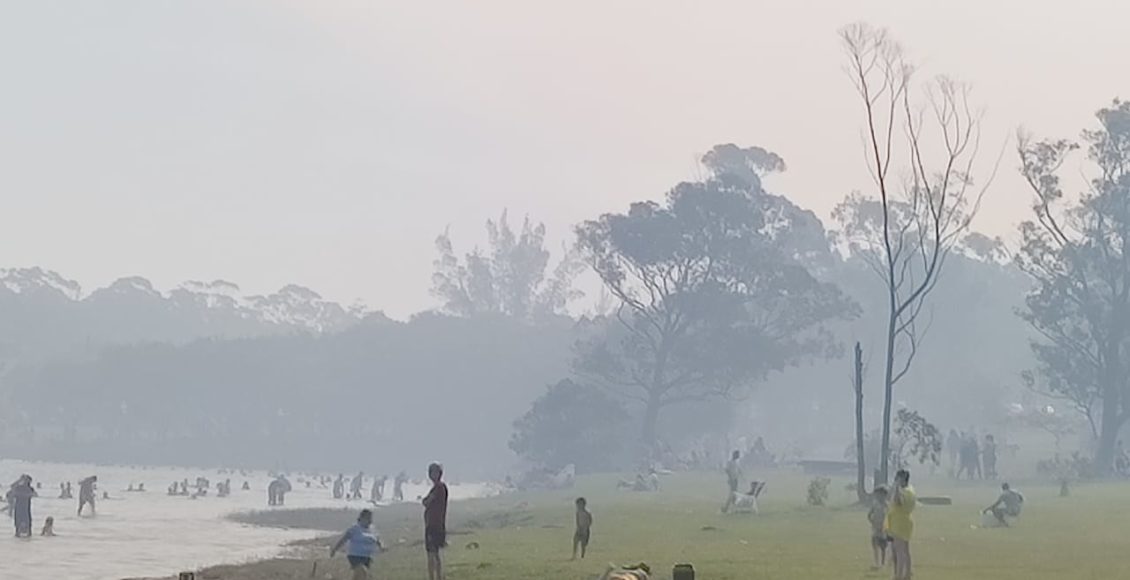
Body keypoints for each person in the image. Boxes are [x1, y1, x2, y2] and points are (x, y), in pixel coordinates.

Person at [330, 508, 381, 580]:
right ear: (362, 518)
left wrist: (381, 547)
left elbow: (377, 540)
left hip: (367, 557)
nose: (370, 520)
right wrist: (335, 550)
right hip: (355, 556)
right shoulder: (354, 528)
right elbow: (344, 539)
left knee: (361, 577)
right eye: (368, 518)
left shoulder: (372, 529)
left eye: (370, 518)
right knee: (362, 571)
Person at [887, 469, 916, 580]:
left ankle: (899, 575)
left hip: (900, 523)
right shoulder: (910, 489)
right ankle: (907, 573)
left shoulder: (905, 491)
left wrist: (897, 487)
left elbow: (898, 501)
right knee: (905, 550)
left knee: (899, 550)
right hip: (902, 522)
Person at [422, 462, 448, 580]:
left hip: (433, 525)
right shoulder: (438, 488)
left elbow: (427, 501)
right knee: (435, 553)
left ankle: (433, 577)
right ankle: (437, 576)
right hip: (437, 524)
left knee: (431, 554)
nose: (433, 475)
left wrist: (425, 501)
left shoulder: (439, 487)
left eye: (435, 472)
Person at [867, 486, 889, 570]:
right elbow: (869, 514)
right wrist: (872, 521)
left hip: (883, 529)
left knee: (883, 547)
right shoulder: (875, 504)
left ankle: (883, 563)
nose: (880, 497)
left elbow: (889, 516)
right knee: (875, 545)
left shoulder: (886, 505)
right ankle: (876, 563)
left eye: (882, 495)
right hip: (875, 528)